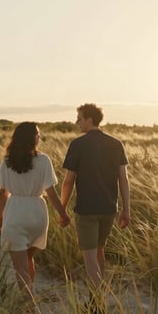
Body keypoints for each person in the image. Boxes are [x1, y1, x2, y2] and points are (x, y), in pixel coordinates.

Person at [61, 103, 130, 296]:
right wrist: (126, 209)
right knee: (99, 252)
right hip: (109, 208)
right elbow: (123, 179)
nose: (77, 123)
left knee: (90, 259)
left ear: (90, 120)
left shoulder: (78, 144)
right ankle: (95, 299)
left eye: (79, 118)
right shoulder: (116, 144)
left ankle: (99, 303)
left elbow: (68, 181)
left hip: (87, 209)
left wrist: (62, 207)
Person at [0, 122, 70, 298]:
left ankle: (29, 307)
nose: (39, 136)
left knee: (20, 267)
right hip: (38, 214)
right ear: (30, 138)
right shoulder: (44, 160)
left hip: (15, 213)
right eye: (37, 134)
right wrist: (62, 214)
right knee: (28, 259)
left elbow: (2, 193)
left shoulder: (7, 162)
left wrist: (0, 219)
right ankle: (30, 296)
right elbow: (51, 192)